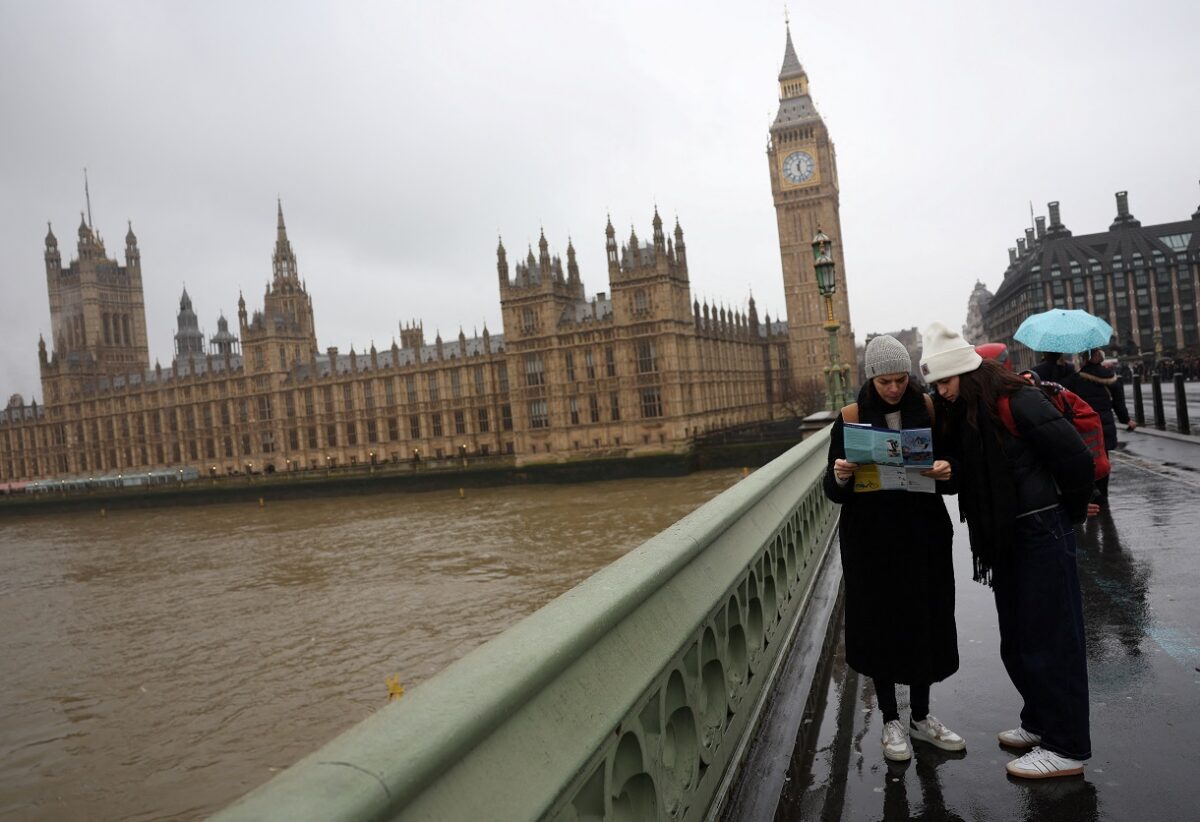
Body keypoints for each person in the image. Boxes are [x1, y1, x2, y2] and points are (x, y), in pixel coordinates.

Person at [920, 322, 1095, 780]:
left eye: (945, 381)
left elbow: (1075, 458)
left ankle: (1067, 746)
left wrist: (1066, 516)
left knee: (1052, 640)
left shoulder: (1017, 399)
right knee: (1019, 639)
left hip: (1040, 529)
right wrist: (946, 473)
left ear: (966, 373)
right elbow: (964, 475)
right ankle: (1039, 723)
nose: (941, 391)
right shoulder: (964, 414)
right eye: (935, 384)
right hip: (1004, 536)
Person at [823, 334, 963, 762]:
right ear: (872, 378)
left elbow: (956, 479)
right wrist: (842, 474)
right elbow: (832, 491)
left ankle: (920, 717)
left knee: (924, 621)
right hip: (871, 540)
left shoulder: (931, 410)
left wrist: (945, 470)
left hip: (922, 537)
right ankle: (889, 719)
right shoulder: (850, 418)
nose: (895, 389)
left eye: (901, 380)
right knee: (880, 624)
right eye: (886, 381)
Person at [1070, 349, 1136, 503]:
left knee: (1087, 458)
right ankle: (1103, 493)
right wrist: (1126, 420)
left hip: (1084, 423)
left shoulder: (1076, 379)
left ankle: (1092, 492)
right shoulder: (1110, 376)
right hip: (1104, 422)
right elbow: (1119, 402)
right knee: (1103, 457)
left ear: (1084, 358)